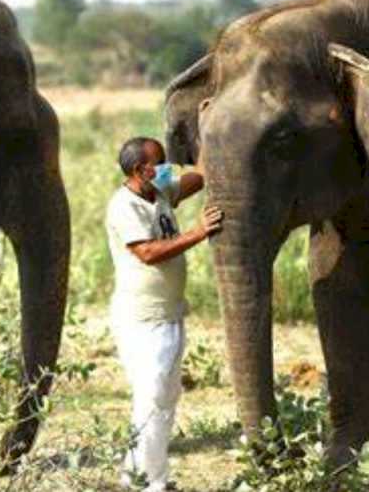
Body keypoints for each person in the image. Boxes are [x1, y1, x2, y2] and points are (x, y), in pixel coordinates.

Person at [104, 136, 223, 491]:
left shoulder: (158, 192)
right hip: (142, 321)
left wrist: (210, 129)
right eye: (162, 162)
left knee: (165, 399)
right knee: (152, 399)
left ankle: (138, 474)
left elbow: (199, 176)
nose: (169, 167)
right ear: (141, 170)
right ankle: (150, 483)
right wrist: (199, 232)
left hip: (170, 315)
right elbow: (149, 252)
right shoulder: (124, 207)